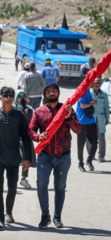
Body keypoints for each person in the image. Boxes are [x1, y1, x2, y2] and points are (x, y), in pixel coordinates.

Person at [28, 84, 81, 229]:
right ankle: (45, 216)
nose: (52, 93)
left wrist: (69, 117)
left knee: (60, 187)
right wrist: (39, 136)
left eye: (54, 91)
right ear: (44, 95)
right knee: (41, 185)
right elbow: (31, 130)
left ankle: (57, 217)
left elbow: (78, 129)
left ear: (58, 93)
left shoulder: (67, 109)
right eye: (49, 91)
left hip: (63, 155)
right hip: (45, 155)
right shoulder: (39, 111)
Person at [0, 86, 31, 231]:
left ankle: (9, 213)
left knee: (12, 188)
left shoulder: (19, 116)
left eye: (11, 95)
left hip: (14, 159)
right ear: (0, 98)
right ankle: (0, 219)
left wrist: (27, 158)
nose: (9, 98)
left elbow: (26, 138)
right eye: (5, 95)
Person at [13, 90, 36, 189]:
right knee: (13, 159)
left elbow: (32, 122)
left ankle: (23, 179)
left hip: (26, 137)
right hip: (14, 137)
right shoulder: (12, 108)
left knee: (26, 158)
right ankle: (13, 179)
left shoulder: (29, 109)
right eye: (19, 96)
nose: (21, 98)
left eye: (23, 96)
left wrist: (27, 113)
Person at [76, 86, 98, 172]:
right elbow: (82, 105)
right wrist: (93, 103)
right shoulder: (82, 91)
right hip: (82, 123)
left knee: (94, 144)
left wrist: (93, 102)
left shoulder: (89, 91)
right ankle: (80, 164)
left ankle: (89, 160)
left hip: (91, 121)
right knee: (81, 145)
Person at [87, 77, 109, 162]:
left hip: (101, 118)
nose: (97, 84)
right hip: (90, 119)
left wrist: (107, 118)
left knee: (101, 138)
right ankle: (91, 156)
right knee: (90, 138)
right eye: (95, 83)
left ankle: (101, 156)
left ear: (100, 84)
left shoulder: (104, 94)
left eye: (98, 83)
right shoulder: (89, 93)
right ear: (93, 83)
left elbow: (106, 107)